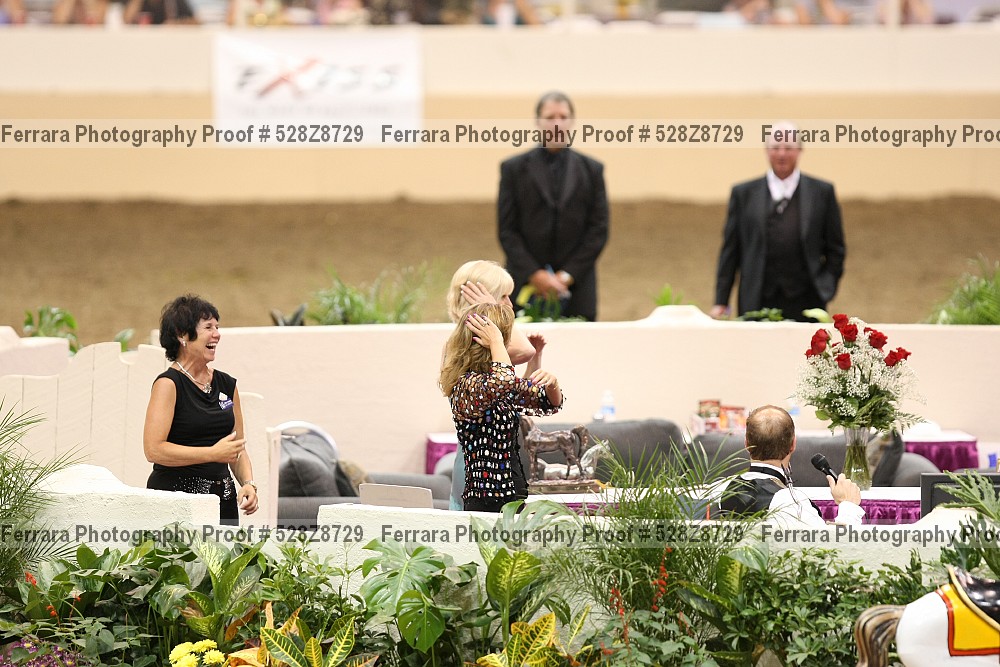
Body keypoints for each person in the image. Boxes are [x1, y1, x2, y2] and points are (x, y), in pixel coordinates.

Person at [711, 121, 846, 322]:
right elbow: (730, 251)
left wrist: (827, 286)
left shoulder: (822, 193)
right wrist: (721, 300)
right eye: (775, 147)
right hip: (755, 300)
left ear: (799, 150)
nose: (782, 154)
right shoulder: (743, 194)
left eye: (788, 148)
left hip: (807, 300)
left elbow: (836, 248)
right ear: (766, 150)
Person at [143, 295, 258, 525]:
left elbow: (237, 448)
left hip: (223, 502)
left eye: (217, 327)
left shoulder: (227, 385)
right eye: (208, 327)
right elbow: (154, 450)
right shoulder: (168, 384)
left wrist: (248, 483)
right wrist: (211, 454)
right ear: (182, 335)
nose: (217, 334)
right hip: (176, 502)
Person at [439, 302, 563, 513]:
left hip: (513, 492)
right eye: (505, 338)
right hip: (485, 498)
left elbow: (548, 402)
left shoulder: (495, 383)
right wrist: (496, 340)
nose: (506, 344)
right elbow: (503, 381)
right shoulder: (466, 385)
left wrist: (553, 385)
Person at [498, 91, 610, 322]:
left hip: (578, 288)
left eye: (563, 116)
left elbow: (598, 230)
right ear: (537, 121)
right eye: (550, 117)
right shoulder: (513, 169)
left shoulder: (592, 170)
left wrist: (566, 276)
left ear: (572, 121)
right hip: (524, 284)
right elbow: (507, 230)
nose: (557, 123)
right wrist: (536, 275)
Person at [444, 260, 544, 510]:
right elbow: (525, 351)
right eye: (503, 297)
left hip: (502, 467)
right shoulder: (467, 345)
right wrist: (494, 310)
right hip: (479, 471)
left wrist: (536, 362)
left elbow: (516, 394)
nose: (510, 304)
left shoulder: (490, 348)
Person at [720, 405, 864, 526]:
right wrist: (849, 506)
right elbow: (830, 546)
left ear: (746, 443)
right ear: (793, 444)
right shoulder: (789, 502)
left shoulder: (719, 490)